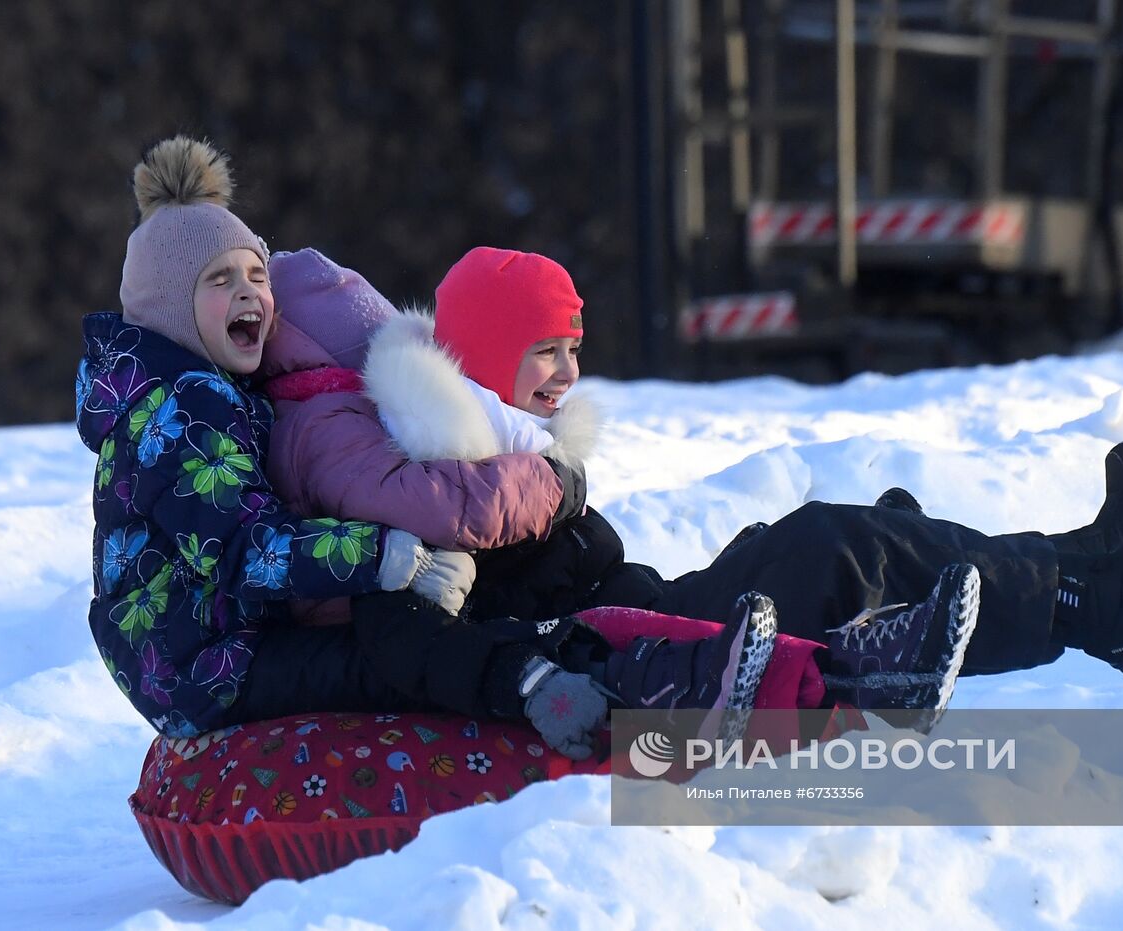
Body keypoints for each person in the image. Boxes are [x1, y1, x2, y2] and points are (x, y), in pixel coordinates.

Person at [77, 137, 780, 758]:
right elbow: (243, 551)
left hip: (229, 636)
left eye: (257, 274)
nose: (250, 293)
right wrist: (382, 556)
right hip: (204, 663)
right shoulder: (183, 408)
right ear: (171, 306)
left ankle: (660, 652)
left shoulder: (213, 391)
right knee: (389, 654)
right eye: (220, 280)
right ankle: (547, 683)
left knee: (437, 611)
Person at [268, 246, 1123, 704]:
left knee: (860, 536)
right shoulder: (431, 474)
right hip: (638, 645)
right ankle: (1094, 606)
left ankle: (1082, 561)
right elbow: (421, 629)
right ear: (480, 354)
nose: (567, 374)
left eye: (573, 350)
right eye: (542, 350)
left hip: (652, 608)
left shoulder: (495, 450)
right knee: (836, 543)